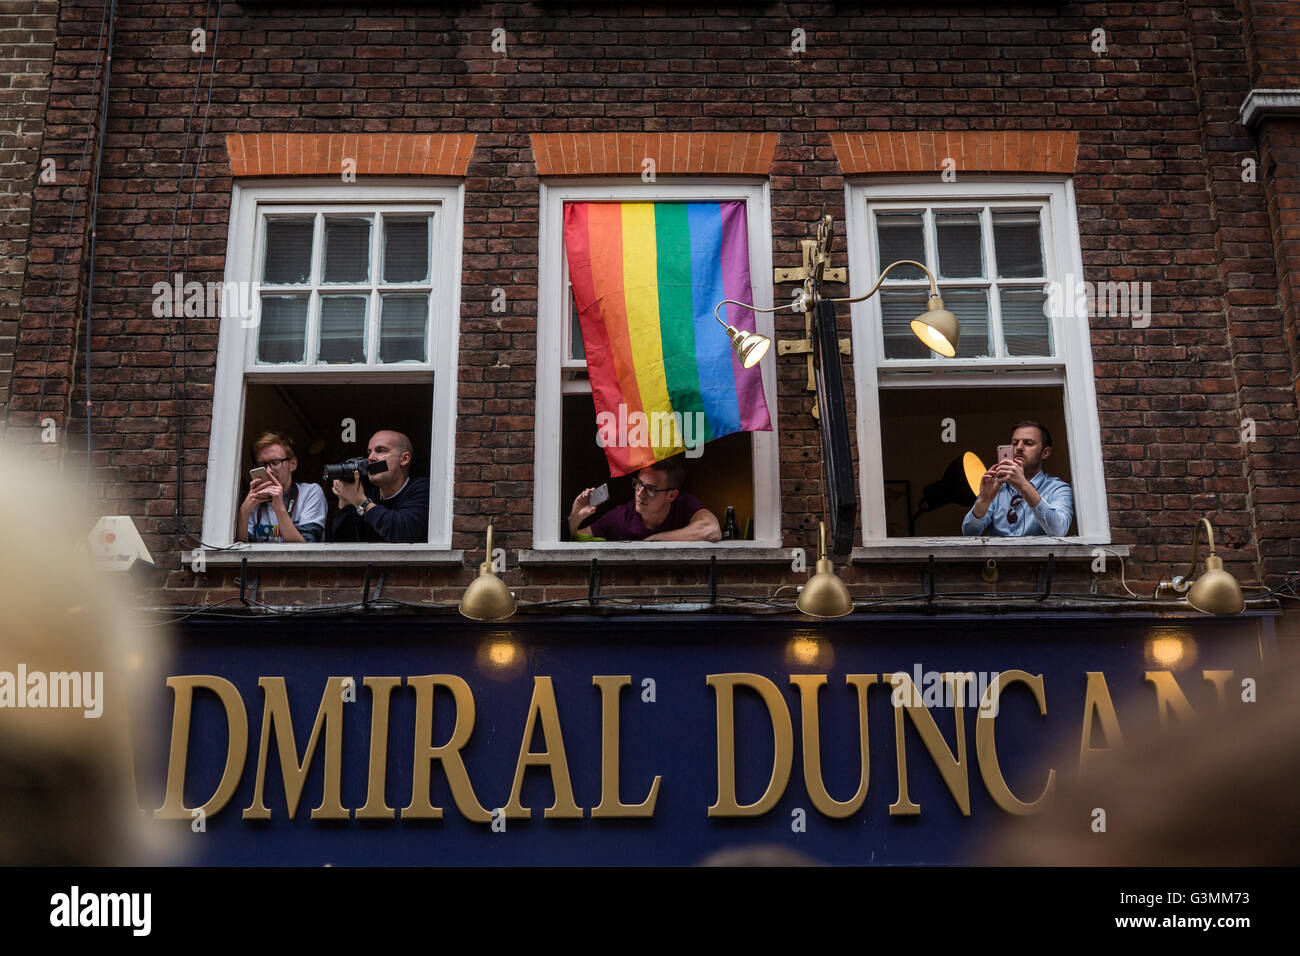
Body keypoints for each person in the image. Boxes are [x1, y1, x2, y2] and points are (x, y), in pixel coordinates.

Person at [569, 455, 721, 542]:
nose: (640, 493)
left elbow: (711, 530)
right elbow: (575, 539)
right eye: (638, 484)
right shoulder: (622, 516)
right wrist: (575, 518)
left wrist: (656, 540)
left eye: (650, 489)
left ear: (671, 495)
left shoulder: (684, 504)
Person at [962, 421, 1073, 537]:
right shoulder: (996, 486)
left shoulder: (1059, 489)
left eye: (1028, 443)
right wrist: (983, 501)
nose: (1019, 448)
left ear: (1045, 453)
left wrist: (1023, 486)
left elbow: (1058, 531)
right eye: (1014, 443)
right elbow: (969, 533)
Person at [329, 429, 429, 543]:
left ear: (404, 459)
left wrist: (362, 502)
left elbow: (404, 532)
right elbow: (341, 545)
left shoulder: (422, 488)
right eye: (369, 452)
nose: (371, 458)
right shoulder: (368, 493)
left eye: (380, 450)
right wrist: (345, 502)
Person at [237, 431, 327, 543]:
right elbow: (242, 552)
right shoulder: (253, 500)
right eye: (262, 465)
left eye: (275, 462)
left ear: (292, 464)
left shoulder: (310, 492)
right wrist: (244, 512)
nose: (268, 470)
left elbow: (305, 552)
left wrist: (279, 509)